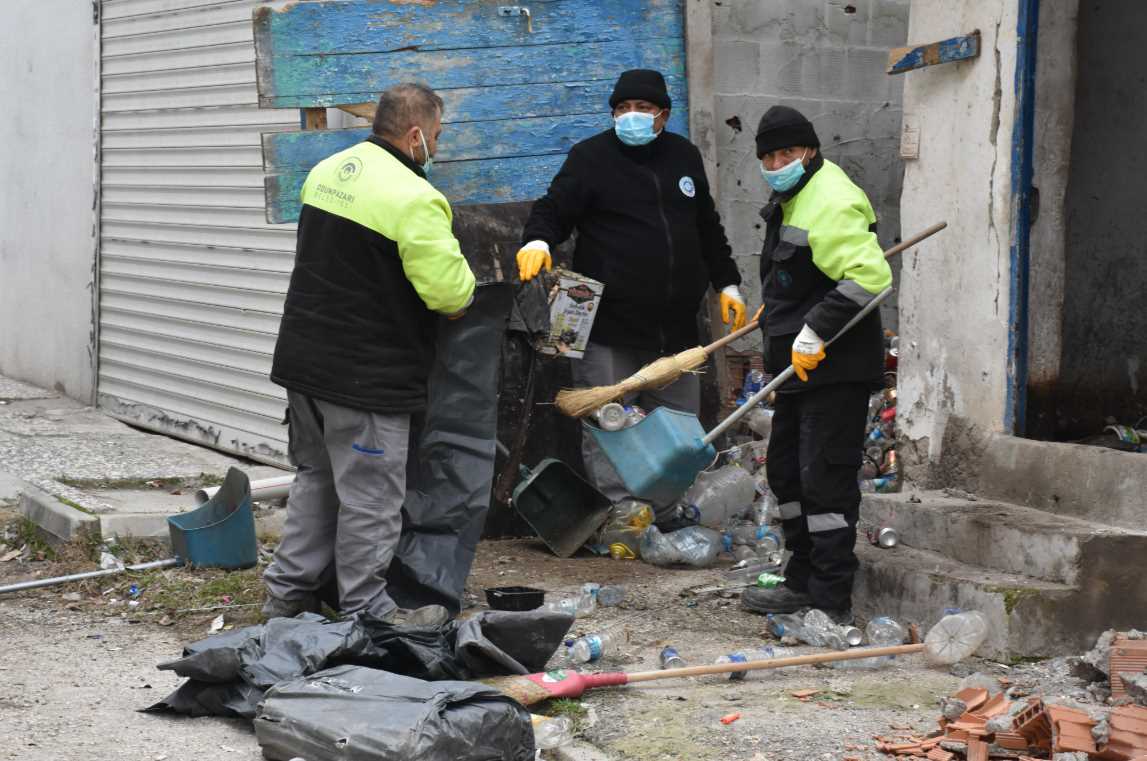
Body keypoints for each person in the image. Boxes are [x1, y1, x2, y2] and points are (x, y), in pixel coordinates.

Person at [262, 83, 476, 624]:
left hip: (304, 365)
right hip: (365, 377)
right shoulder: (415, 196)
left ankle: (285, 599)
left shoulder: (327, 173)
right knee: (371, 499)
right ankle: (366, 611)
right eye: (435, 136)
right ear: (413, 135)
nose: (436, 146)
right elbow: (449, 296)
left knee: (316, 481)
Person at [516, 69, 745, 507]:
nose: (631, 116)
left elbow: (707, 227)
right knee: (609, 422)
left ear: (663, 115)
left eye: (641, 108)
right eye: (622, 109)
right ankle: (622, 514)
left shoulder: (684, 156)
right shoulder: (590, 157)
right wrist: (538, 239)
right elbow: (553, 208)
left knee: (678, 426)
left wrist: (728, 283)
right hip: (606, 323)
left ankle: (671, 509)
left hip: (674, 329)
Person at [740, 106, 892, 623]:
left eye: (787, 153)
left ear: (809, 150)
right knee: (786, 473)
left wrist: (814, 328)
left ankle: (830, 600)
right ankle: (800, 579)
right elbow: (805, 271)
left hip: (835, 367)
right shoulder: (794, 194)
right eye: (768, 155)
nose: (777, 162)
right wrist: (779, 309)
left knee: (823, 481)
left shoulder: (831, 197)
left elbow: (870, 277)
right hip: (801, 369)